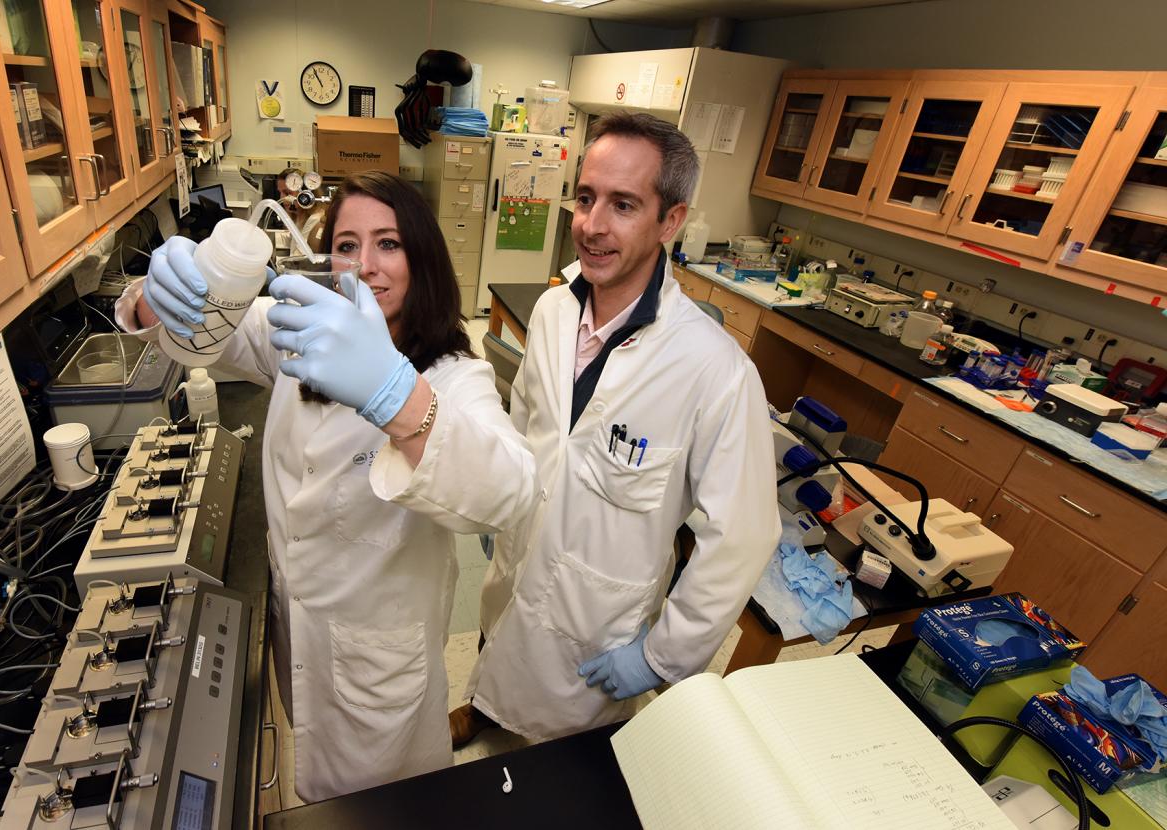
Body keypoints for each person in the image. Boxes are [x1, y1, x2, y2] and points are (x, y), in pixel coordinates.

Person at [117, 171, 537, 801]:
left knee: (391, 809)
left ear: (423, 259)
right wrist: (160, 294)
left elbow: (512, 489)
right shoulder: (299, 336)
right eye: (347, 245)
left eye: (388, 244)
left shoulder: (455, 376)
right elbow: (202, 332)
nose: (365, 266)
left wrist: (393, 394)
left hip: (380, 670)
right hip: (299, 636)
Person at [455, 112, 780, 744]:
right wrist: (502, 504)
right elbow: (527, 417)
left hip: (595, 620)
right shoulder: (552, 310)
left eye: (623, 205)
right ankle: (482, 705)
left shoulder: (715, 371)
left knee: (558, 763)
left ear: (671, 220)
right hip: (519, 558)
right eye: (585, 198)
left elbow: (740, 537)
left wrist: (661, 656)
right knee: (497, 641)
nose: (591, 226)